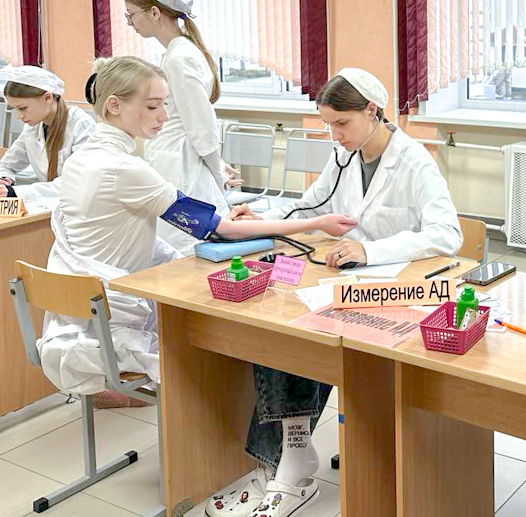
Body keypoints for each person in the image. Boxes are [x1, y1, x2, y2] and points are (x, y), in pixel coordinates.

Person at [218, 68, 462, 517]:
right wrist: (260, 216)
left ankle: (284, 463)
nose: (334, 135)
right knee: (279, 327)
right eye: (328, 124)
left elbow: (447, 234)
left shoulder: (413, 160)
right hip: (344, 283)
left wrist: (370, 250)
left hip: (394, 292)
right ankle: (288, 454)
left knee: (305, 337)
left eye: (342, 123)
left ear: (372, 111)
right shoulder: (343, 156)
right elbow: (311, 207)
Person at [37, 56, 357, 397]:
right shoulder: (123, 168)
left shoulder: (81, 159)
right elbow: (218, 230)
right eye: (153, 106)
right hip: (113, 315)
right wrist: (317, 223)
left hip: (81, 307)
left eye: (166, 104)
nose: (164, 116)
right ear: (114, 105)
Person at [123, 0, 239, 254]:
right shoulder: (177, 53)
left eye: (131, 15)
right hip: (176, 161)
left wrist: (217, 171)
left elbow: (201, 127)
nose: (129, 23)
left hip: (180, 166)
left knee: (183, 251)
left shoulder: (180, 58)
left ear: (154, 13)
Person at [0, 66, 94, 201]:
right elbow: (7, 164)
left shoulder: (81, 125)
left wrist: (15, 192)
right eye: (15, 109)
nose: (18, 116)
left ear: (48, 97)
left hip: (78, 204)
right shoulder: (32, 128)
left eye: (22, 108)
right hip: (49, 205)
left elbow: (75, 182)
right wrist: (4, 179)